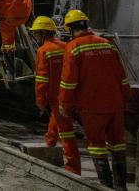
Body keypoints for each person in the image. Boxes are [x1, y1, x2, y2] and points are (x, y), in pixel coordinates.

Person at [59, 9, 132, 189]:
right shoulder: (107, 44)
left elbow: (68, 81)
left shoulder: (74, 47)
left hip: (92, 105)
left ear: (70, 28)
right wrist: (127, 97)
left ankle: (105, 186)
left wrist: (64, 105)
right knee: (118, 143)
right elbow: (121, 76)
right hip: (115, 103)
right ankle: (121, 187)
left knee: (97, 144)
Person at [31, 16, 81, 175]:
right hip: (71, 93)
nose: (35, 36)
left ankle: (73, 169)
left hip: (57, 97)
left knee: (66, 133)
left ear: (42, 33)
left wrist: (40, 102)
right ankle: (50, 143)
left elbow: (41, 80)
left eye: (36, 33)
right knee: (56, 119)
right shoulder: (66, 46)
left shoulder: (43, 51)